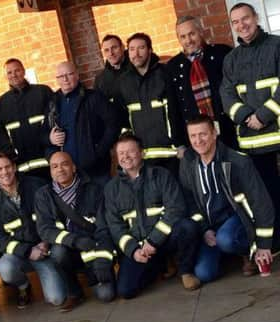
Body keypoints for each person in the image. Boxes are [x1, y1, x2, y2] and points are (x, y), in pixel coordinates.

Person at [104, 134, 201, 298]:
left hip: (164, 240)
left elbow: (176, 209)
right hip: (139, 248)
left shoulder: (161, 175)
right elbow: (115, 227)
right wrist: (133, 250)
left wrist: (154, 240)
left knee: (187, 226)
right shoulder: (111, 188)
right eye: (121, 153)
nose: (126, 157)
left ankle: (186, 271)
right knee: (126, 291)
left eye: (131, 152)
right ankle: (157, 266)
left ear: (142, 153)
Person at [179, 115, 274, 282]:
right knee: (204, 274)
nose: (198, 140)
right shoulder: (188, 163)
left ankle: (247, 252)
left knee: (226, 239)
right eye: (193, 136)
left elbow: (261, 202)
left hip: (237, 220)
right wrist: (205, 230)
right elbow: (189, 201)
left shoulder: (238, 161)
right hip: (210, 227)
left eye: (203, 134)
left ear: (214, 133)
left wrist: (264, 245)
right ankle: (226, 255)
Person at [0, 152, 82, 310]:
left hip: (45, 250)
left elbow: (57, 215)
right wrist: (28, 251)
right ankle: (23, 286)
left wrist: (46, 242)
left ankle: (69, 281)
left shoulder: (37, 186)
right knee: (5, 268)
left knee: (56, 299)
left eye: (7, 167)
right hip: (21, 255)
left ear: (14, 167)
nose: (4, 172)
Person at [220, 2, 280, 248]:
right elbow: (226, 95)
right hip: (253, 141)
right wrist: (246, 116)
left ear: (255, 18)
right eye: (235, 22)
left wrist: (263, 115)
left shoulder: (277, 46)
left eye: (245, 18)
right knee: (267, 194)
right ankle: (276, 241)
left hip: (276, 130)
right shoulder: (231, 59)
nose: (241, 25)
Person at [34, 151, 116, 302]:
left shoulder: (94, 189)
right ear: (50, 171)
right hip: (68, 249)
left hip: (93, 250)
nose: (60, 169)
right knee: (57, 253)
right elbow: (45, 229)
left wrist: (104, 259)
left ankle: (96, 273)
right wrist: (75, 240)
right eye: (54, 166)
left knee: (106, 296)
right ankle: (74, 291)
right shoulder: (43, 195)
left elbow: (105, 227)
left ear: (73, 167)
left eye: (64, 164)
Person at [47, 61, 121, 186]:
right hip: (68, 174)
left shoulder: (93, 97)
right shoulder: (53, 103)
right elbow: (43, 133)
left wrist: (98, 152)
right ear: (57, 80)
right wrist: (49, 138)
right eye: (60, 76)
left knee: (104, 203)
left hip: (96, 170)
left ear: (77, 75)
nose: (65, 79)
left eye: (69, 74)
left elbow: (113, 124)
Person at [166, 16, 235, 149]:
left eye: (192, 34)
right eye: (183, 36)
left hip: (227, 130)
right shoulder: (172, 67)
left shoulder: (222, 53)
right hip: (196, 138)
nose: (188, 40)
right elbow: (173, 107)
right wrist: (179, 143)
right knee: (207, 170)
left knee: (231, 168)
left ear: (201, 31)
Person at [117, 33, 180, 173]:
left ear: (150, 50)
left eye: (141, 48)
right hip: (141, 158)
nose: (136, 53)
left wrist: (180, 144)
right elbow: (123, 117)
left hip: (172, 154)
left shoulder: (165, 73)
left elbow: (176, 110)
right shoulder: (123, 81)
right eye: (132, 49)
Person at [0, 58, 53, 177]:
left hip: (49, 161)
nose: (14, 75)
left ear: (24, 71)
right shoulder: (0, 104)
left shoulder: (43, 92)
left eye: (17, 70)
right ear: (5, 77)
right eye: (9, 73)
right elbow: (0, 137)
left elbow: (55, 121)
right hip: (21, 168)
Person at [94, 34, 131, 125]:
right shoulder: (100, 80)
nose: (111, 53)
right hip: (120, 129)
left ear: (122, 47)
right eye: (106, 50)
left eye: (114, 48)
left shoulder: (136, 69)